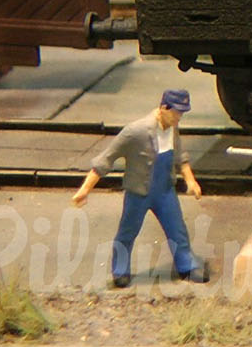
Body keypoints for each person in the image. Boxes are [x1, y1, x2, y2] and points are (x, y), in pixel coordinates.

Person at [73, 89, 208, 287]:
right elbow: (106, 159)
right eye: (177, 112)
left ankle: (186, 264)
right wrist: (85, 189)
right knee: (127, 232)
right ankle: (120, 270)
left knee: (177, 229)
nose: (179, 117)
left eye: (182, 113)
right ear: (164, 108)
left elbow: (181, 157)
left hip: (165, 191)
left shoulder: (172, 128)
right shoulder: (135, 132)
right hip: (139, 193)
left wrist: (190, 181)